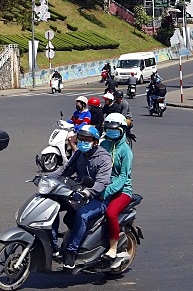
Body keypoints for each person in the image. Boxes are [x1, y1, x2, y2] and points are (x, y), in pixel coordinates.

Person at [50, 124, 113, 269]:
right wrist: (46, 178)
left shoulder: (103, 158)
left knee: (82, 215)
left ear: (95, 142)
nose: (83, 142)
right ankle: (52, 245)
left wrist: (88, 192)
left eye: (87, 139)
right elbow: (64, 170)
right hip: (79, 193)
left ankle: (71, 252)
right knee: (52, 204)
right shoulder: (79, 154)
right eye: (81, 139)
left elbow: (102, 183)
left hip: (99, 198)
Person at [100, 113, 134, 260]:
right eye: (108, 129)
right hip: (101, 187)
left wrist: (107, 191)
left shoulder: (126, 151)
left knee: (110, 213)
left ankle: (113, 247)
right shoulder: (103, 145)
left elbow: (122, 177)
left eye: (114, 130)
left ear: (122, 130)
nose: (111, 132)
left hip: (122, 191)